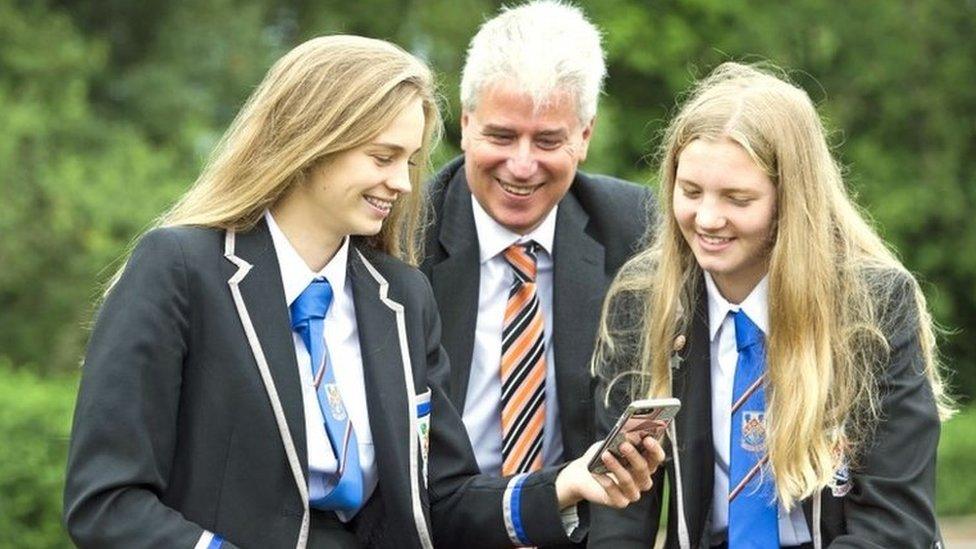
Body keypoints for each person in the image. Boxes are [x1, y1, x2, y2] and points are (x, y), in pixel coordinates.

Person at [62, 35, 666, 549]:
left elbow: (442, 499)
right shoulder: (180, 269)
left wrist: (565, 484)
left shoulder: (401, 297)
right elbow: (106, 498)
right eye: (383, 157)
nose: (404, 184)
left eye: (409, 160)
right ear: (310, 142)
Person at [588, 62, 954, 548]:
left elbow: (896, 524)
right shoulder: (643, 299)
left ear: (792, 201)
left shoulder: (875, 305)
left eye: (738, 199)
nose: (707, 218)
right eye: (691, 191)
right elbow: (619, 509)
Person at [420, 0, 652, 501]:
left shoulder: (636, 231)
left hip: (573, 524)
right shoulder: (404, 233)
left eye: (548, 141)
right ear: (464, 124)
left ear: (585, 136)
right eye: (501, 136)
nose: (522, 166)